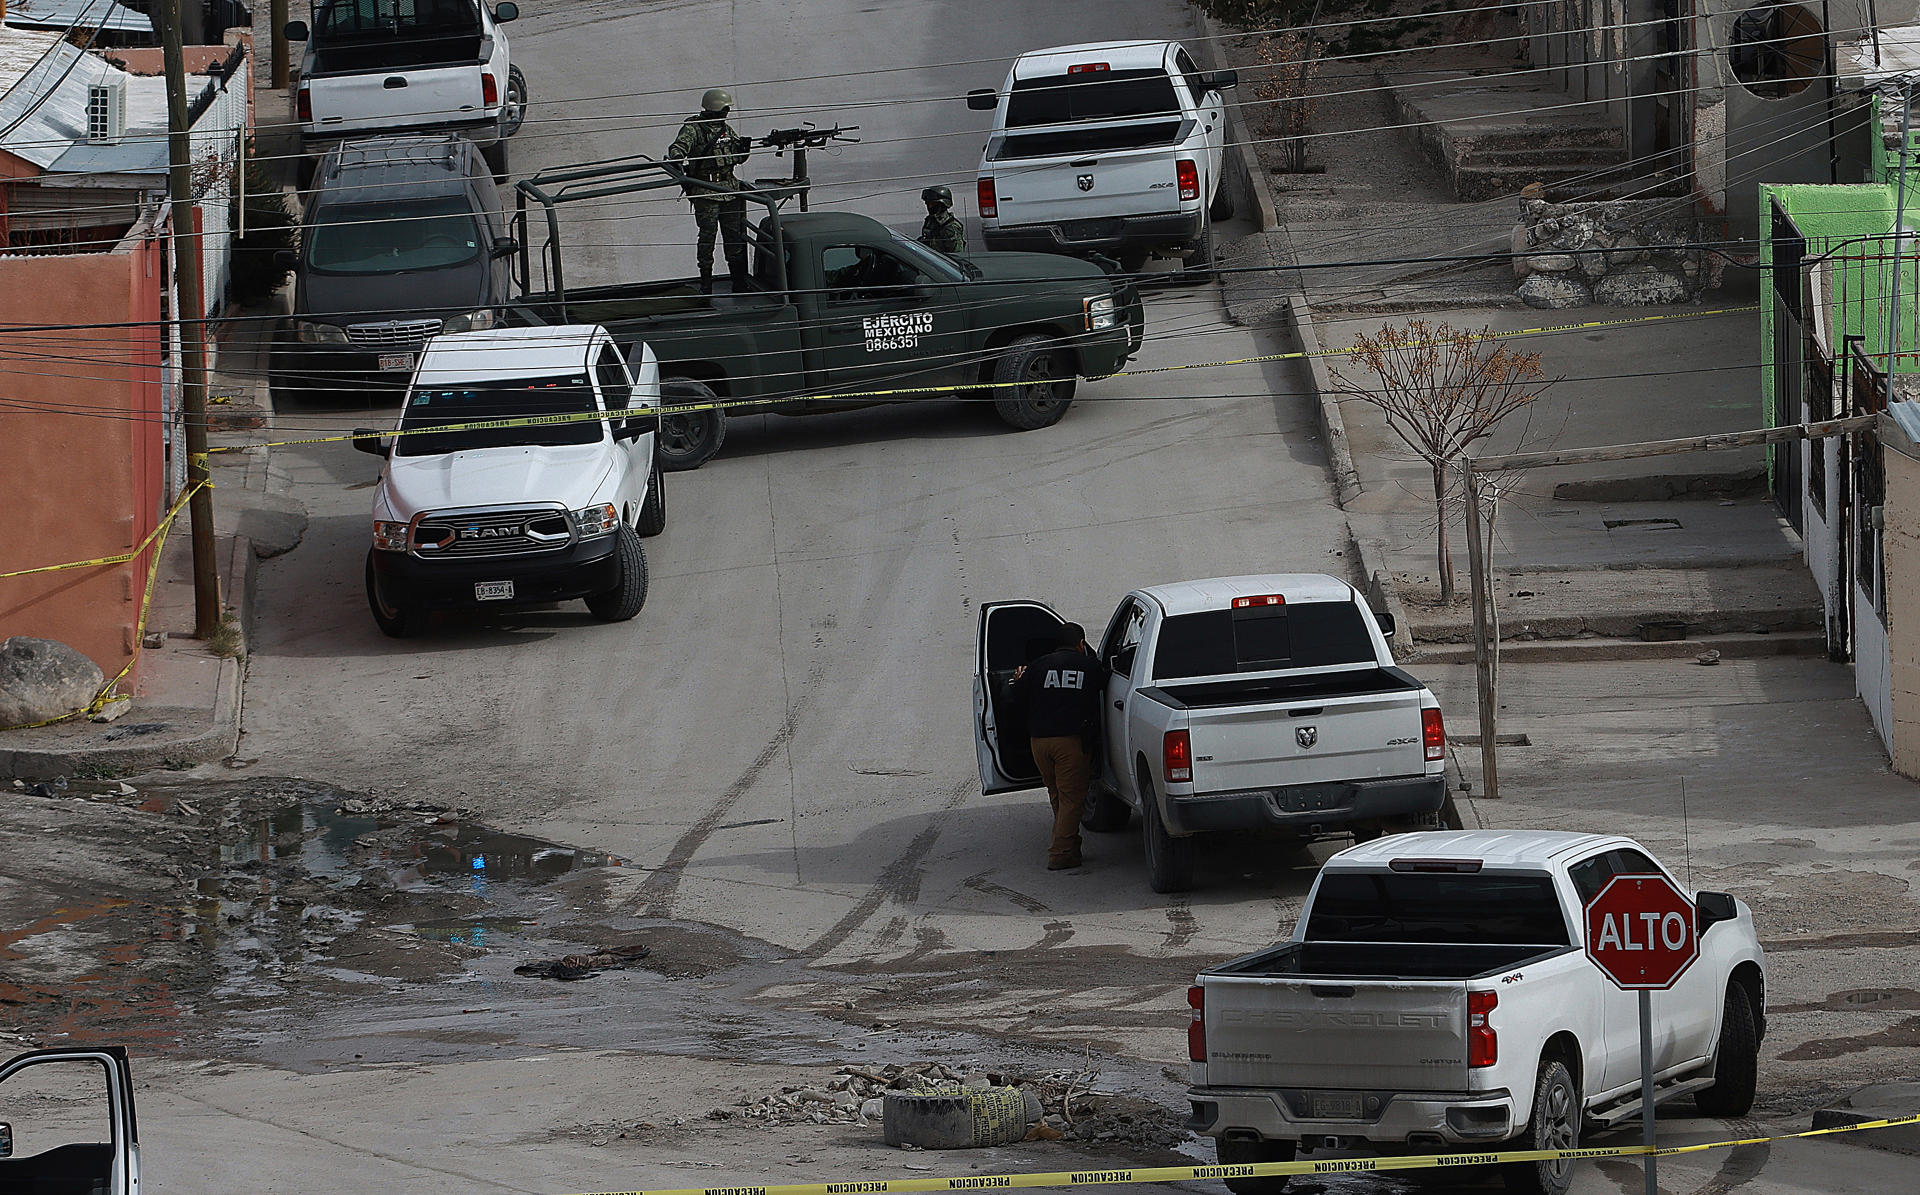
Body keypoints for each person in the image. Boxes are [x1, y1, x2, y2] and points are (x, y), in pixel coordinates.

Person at [1006, 623, 1106, 870]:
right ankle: (1060, 854)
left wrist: (1019, 679)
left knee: (1058, 796)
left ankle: (1071, 847)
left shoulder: (1038, 666)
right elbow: (1106, 683)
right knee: (1072, 800)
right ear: (1081, 644)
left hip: (1039, 744)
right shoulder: (1089, 665)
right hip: (1070, 744)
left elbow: (1015, 698)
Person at [667, 87, 753, 293]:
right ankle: (706, 283)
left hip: (730, 189)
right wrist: (677, 157)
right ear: (716, 108)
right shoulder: (694, 128)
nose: (727, 112)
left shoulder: (726, 129)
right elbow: (678, 148)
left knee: (734, 237)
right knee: (707, 238)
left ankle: (738, 282)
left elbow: (736, 157)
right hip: (707, 191)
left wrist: (744, 149)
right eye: (725, 108)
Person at [918, 185, 967, 256]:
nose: (929, 207)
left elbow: (956, 255)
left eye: (933, 204)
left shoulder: (951, 227)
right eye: (928, 204)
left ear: (943, 204)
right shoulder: (930, 221)